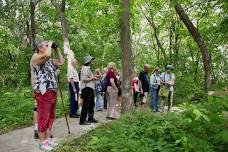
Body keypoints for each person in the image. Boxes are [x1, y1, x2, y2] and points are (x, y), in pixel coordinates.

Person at [30, 40, 64, 151]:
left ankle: (47, 140)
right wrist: (50, 43)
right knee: (43, 117)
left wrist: (56, 48)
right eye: (46, 45)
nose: (48, 46)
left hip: (52, 91)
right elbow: (47, 54)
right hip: (43, 92)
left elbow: (61, 61)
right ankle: (42, 142)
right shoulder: (36, 56)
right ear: (40, 48)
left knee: (50, 116)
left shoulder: (48, 60)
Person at [79, 55, 98, 125]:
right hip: (87, 88)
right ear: (89, 61)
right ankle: (82, 120)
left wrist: (94, 77)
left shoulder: (88, 68)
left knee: (91, 104)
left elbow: (88, 78)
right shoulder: (85, 69)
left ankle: (90, 117)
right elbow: (84, 79)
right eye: (91, 60)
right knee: (86, 104)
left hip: (90, 88)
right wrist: (93, 78)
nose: (92, 61)